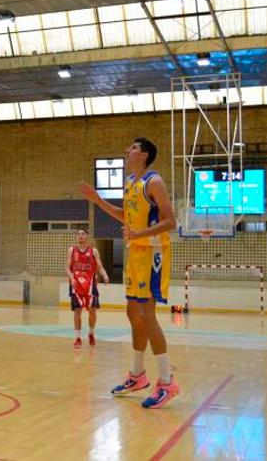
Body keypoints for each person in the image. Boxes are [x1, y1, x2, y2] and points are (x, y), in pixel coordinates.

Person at [78, 137, 179, 409]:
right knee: (133, 314)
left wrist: (139, 234)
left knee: (147, 315)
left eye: (133, 148)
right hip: (135, 251)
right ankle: (137, 375)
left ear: (144, 154)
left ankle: (167, 382)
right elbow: (126, 216)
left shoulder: (153, 182)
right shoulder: (130, 183)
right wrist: (97, 200)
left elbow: (171, 221)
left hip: (154, 252)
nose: (128, 150)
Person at [66, 229, 109, 348]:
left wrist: (104, 274)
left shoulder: (93, 251)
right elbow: (67, 268)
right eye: (78, 234)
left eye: (83, 234)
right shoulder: (71, 250)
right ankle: (78, 338)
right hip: (76, 284)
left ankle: (91, 334)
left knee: (92, 310)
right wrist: (71, 278)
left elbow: (100, 266)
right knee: (77, 311)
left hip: (91, 284)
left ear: (87, 237)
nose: (80, 236)